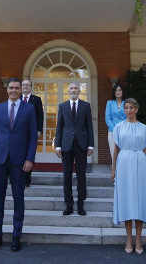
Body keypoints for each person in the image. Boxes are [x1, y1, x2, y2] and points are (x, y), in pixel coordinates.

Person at [0, 78, 38, 252]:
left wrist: (30, 159)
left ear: (21, 91)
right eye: (11, 88)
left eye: (17, 88)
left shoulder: (29, 109)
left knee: (18, 199)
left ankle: (16, 236)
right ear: (7, 90)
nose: (14, 90)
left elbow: (32, 136)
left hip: (19, 161)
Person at [111, 98, 146, 255]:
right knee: (127, 201)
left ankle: (138, 240)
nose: (128, 110)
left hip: (140, 164)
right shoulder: (119, 127)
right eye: (126, 108)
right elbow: (115, 150)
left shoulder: (143, 128)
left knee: (140, 201)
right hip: (124, 164)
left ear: (136, 109)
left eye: (131, 108)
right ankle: (129, 238)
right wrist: (113, 169)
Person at [55, 81, 94, 216]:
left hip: (81, 145)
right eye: (71, 88)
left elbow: (89, 126)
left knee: (81, 176)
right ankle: (69, 205)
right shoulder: (63, 106)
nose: (73, 90)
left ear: (79, 91)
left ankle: (81, 204)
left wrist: (91, 145)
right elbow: (59, 127)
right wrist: (58, 146)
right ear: (68, 91)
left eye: (76, 88)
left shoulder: (85, 106)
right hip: (66, 145)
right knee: (67, 176)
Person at [20, 79, 43, 188]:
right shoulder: (17, 99)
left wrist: (39, 130)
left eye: (27, 85)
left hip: (31, 132)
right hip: (18, 133)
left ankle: (26, 180)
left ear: (31, 87)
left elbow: (40, 116)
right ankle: (18, 177)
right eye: (23, 85)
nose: (25, 87)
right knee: (18, 155)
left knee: (29, 155)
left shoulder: (36, 100)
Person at [105, 83, 127, 161]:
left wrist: (124, 129)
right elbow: (108, 118)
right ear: (114, 92)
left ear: (122, 91)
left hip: (125, 131)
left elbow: (129, 117)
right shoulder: (110, 103)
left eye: (120, 90)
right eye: (116, 90)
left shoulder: (126, 102)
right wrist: (114, 129)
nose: (118, 92)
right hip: (113, 131)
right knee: (114, 154)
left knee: (124, 154)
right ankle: (115, 171)